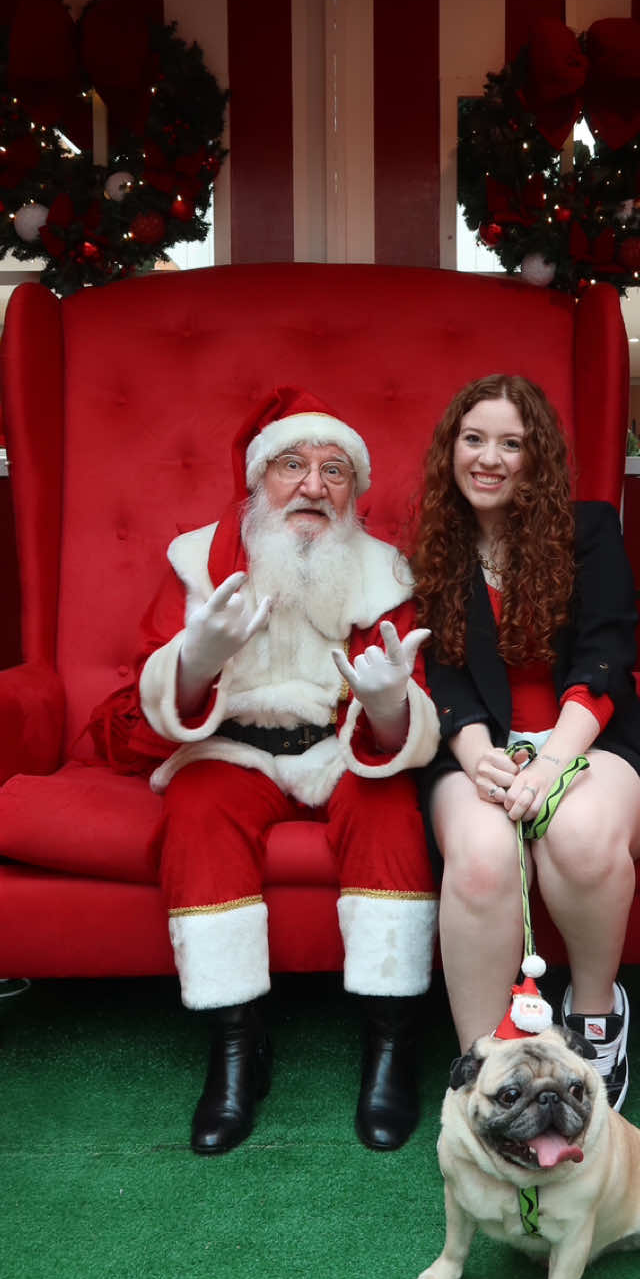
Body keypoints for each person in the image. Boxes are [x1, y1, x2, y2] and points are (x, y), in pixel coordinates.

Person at [107, 387, 440, 1157]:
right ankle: (235, 1048)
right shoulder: (200, 562)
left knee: (392, 814)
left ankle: (391, 1045)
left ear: (353, 491)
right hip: (234, 743)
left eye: (333, 470)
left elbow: (401, 711)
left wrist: (389, 705)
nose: (313, 486)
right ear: (261, 479)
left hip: (338, 745)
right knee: (196, 809)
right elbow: (150, 696)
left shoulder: (384, 572)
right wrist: (200, 657)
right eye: (293, 464)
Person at [410, 374, 640, 1110]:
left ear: (537, 458)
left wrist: (552, 762)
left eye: (512, 443)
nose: (490, 458)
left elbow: (606, 654)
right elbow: (444, 677)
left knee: (577, 831)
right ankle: (484, 1066)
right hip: (478, 742)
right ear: (452, 449)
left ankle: (595, 1018)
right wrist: (478, 759)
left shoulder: (589, 529)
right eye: (474, 439)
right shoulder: (438, 542)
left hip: (588, 737)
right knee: (479, 852)